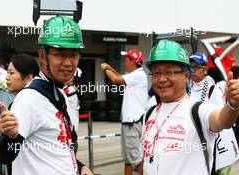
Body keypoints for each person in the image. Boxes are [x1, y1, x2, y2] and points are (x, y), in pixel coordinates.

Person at [0, 16, 92, 175]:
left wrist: (80, 166)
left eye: (73, 54)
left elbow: (57, 147)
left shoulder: (59, 92)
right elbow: (5, 156)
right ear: (42, 56)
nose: (68, 63)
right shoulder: (29, 99)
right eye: (60, 54)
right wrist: (11, 136)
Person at [142, 39, 239, 175]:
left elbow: (222, 120)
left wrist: (233, 105)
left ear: (186, 75)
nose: (162, 79)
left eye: (169, 72)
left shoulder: (198, 110)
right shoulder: (149, 113)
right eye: (156, 73)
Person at [190, 52, 239, 174]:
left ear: (204, 69)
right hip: (190, 140)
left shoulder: (212, 89)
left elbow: (221, 118)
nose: (193, 70)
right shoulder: (186, 87)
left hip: (209, 142)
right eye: (190, 66)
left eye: (196, 67)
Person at [101, 49, 148, 175]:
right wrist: (111, 69)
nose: (124, 63)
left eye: (126, 60)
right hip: (130, 121)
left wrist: (105, 69)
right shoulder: (136, 75)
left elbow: (116, 80)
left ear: (133, 61)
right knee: (128, 159)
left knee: (135, 160)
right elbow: (120, 77)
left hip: (132, 122)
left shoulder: (138, 75)